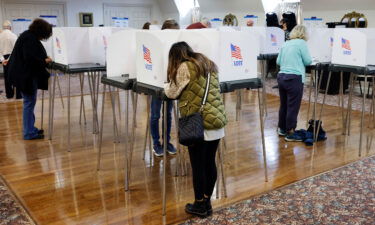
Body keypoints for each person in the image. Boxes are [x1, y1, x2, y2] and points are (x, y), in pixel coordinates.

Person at [164, 42, 227, 217]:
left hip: (199, 123)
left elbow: (172, 92)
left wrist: (165, 84)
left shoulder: (184, 67)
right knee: (209, 162)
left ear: (176, 56)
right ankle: (207, 201)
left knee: (198, 165)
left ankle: (199, 204)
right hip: (216, 120)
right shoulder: (208, 63)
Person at [8, 19, 53, 140]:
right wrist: (45, 60)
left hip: (23, 74)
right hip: (25, 76)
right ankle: (29, 133)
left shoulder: (27, 35)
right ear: (41, 31)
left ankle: (30, 129)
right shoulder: (30, 39)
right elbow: (30, 59)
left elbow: (31, 55)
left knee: (29, 102)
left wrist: (43, 58)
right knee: (29, 103)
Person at [276, 25, 312, 141]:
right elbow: (308, 61)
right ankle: (290, 133)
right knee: (293, 106)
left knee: (284, 105)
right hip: (294, 78)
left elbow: (278, 61)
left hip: (281, 77)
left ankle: (281, 129)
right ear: (304, 34)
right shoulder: (302, 43)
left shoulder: (286, 43)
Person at [150, 19, 179, 156]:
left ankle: (167, 142)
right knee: (155, 115)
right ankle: (156, 143)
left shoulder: (177, 46)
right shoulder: (155, 44)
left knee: (167, 114)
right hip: (157, 83)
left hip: (170, 82)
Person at [0, 20, 19, 99]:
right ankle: (18, 95)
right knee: (16, 75)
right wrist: (9, 59)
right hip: (13, 57)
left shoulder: (0, 36)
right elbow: (16, 49)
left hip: (3, 58)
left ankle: (9, 94)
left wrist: (3, 60)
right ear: (10, 27)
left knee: (7, 76)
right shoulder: (13, 35)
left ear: (3, 28)